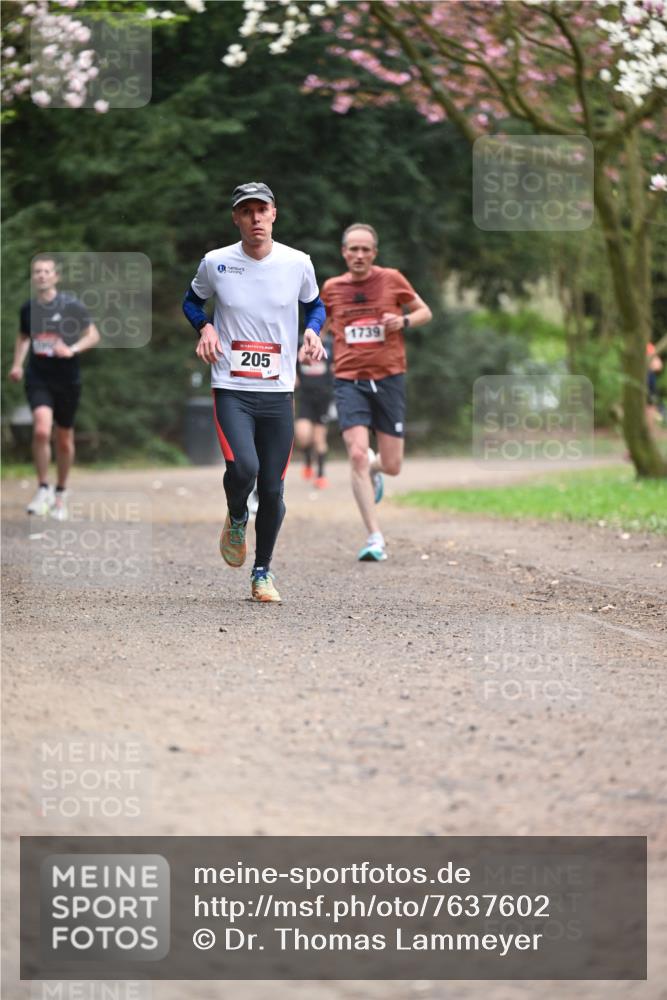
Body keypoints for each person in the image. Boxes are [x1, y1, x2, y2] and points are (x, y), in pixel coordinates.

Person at [182, 181, 326, 603]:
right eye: (247, 211)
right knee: (243, 466)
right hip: (231, 386)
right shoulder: (216, 263)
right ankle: (237, 515)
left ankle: (262, 573)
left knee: (275, 489)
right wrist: (204, 325)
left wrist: (312, 332)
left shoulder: (297, 263)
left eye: (262, 210)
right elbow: (191, 301)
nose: (256, 218)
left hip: (279, 390)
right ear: (236, 218)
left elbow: (315, 305)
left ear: (274, 214)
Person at [321, 223, 432, 561]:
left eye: (365, 249)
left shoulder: (392, 279)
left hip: (389, 378)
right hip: (349, 378)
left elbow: (424, 311)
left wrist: (404, 322)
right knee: (355, 453)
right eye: (353, 249)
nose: (358, 255)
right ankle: (375, 537)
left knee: (393, 465)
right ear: (344, 253)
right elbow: (320, 324)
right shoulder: (332, 288)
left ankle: (374, 469)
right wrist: (311, 342)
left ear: (374, 253)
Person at [8, 253, 100, 520]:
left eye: (47, 271)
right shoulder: (28, 309)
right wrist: (17, 364)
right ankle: (43, 488)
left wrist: (71, 350)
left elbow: (93, 335)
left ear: (55, 276)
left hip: (67, 380)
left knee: (64, 439)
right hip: (38, 376)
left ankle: (60, 493)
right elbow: (24, 337)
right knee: (40, 429)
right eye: (37, 271)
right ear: (33, 277)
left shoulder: (71, 306)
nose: (42, 275)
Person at [295, 332, 335, 488]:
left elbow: (336, 366)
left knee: (319, 439)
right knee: (303, 435)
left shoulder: (332, 344)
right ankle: (307, 460)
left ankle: (321, 475)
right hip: (305, 396)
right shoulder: (301, 342)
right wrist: (294, 375)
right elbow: (292, 361)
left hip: (324, 397)